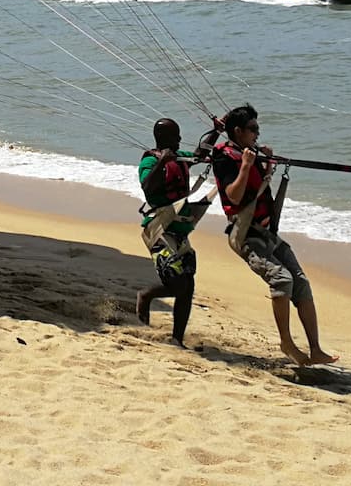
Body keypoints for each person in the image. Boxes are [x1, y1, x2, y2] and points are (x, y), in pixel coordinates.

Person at [211, 104, 337, 366]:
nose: (257, 133)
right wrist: (246, 166)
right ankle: (286, 342)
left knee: (300, 282)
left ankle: (316, 348)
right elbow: (233, 195)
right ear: (237, 131)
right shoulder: (224, 157)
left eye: (258, 128)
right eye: (252, 129)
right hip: (244, 234)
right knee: (281, 279)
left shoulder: (252, 153)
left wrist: (266, 165)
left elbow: (262, 187)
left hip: (267, 233)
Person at [136, 118, 212, 346]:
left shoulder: (180, 157)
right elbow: (148, 186)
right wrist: (162, 163)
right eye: (176, 135)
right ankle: (146, 295)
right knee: (177, 283)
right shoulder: (150, 160)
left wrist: (217, 130)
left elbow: (199, 155)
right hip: (158, 229)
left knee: (188, 286)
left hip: (179, 231)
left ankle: (177, 339)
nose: (180, 139)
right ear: (164, 138)